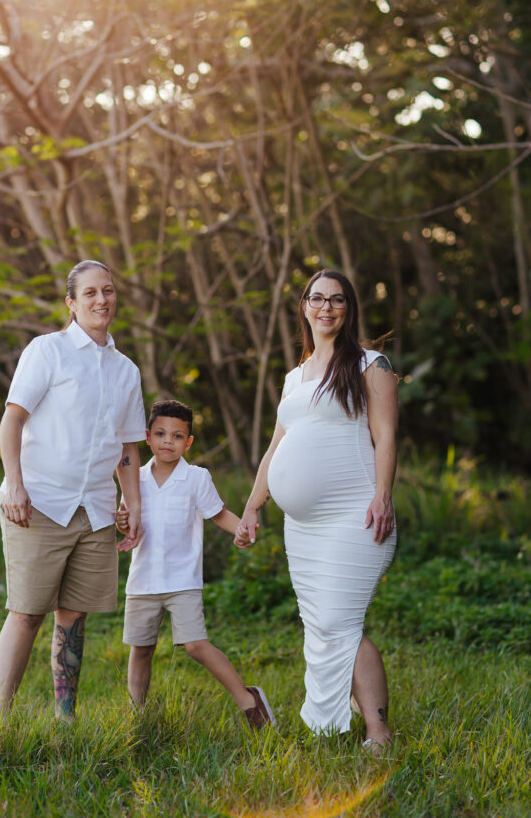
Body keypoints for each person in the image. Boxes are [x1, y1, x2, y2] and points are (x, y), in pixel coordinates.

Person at [236, 270, 397, 753]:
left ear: (349, 309)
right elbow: (274, 449)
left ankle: (379, 732)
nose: (326, 307)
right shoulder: (295, 375)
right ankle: (355, 716)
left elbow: (386, 434)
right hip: (302, 529)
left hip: (356, 512)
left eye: (338, 300)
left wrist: (383, 494)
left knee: (338, 621)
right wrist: (250, 508)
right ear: (304, 306)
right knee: (324, 624)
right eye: (318, 299)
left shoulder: (371, 363)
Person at [0, 260, 146, 718]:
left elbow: (127, 448)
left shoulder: (126, 371)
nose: (102, 300)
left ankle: (65, 719)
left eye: (109, 291)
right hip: (39, 503)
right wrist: (15, 486)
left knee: (74, 616)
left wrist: (132, 503)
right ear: (71, 303)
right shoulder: (48, 351)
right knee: (26, 612)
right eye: (91, 293)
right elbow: (12, 419)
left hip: (95, 511)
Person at [116, 399, 275, 729]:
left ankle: (250, 702)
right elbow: (126, 517)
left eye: (177, 436)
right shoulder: (136, 479)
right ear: (147, 437)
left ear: (188, 442)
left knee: (196, 645)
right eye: (160, 434)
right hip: (143, 580)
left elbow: (218, 514)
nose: (167, 442)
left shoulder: (196, 478)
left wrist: (243, 531)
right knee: (141, 649)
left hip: (182, 580)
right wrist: (121, 521)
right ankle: (137, 718)